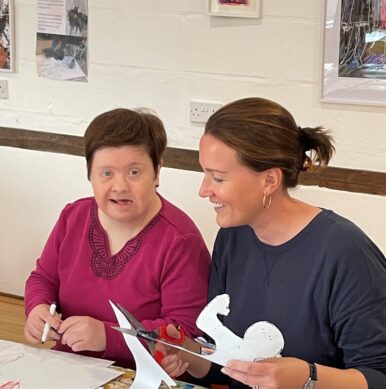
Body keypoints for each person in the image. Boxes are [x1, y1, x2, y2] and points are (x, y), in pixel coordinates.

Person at [159, 97, 386, 389]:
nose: (204, 190)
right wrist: (190, 354)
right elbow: (228, 365)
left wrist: (309, 378)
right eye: (205, 174)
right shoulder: (232, 237)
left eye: (217, 177)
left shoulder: (344, 253)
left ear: (269, 180)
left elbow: (379, 376)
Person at [24, 108, 211, 368]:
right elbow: (43, 278)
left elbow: (184, 331)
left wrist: (108, 336)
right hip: (70, 367)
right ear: (90, 174)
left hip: (144, 375)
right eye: (106, 173)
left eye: (134, 172)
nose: (120, 186)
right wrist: (37, 308)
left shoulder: (180, 240)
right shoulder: (73, 217)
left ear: (157, 172)